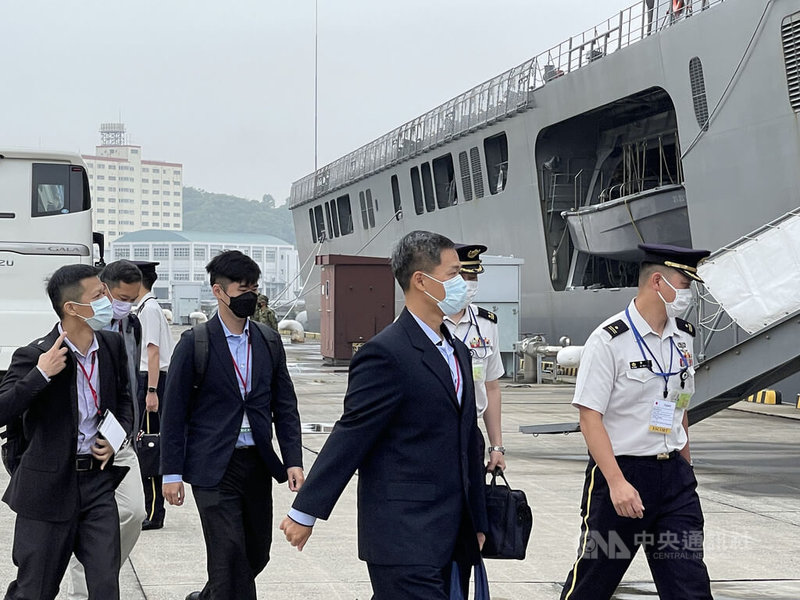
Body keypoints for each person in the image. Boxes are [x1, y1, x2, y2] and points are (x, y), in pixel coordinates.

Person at [280, 230, 488, 600]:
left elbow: (468, 438)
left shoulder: (457, 350)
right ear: (421, 281)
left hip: (453, 533)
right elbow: (351, 436)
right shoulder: (386, 354)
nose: (464, 283)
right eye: (455, 273)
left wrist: (478, 518)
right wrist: (305, 512)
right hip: (403, 534)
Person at [560, 243, 713, 600]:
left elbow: (679, 406)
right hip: (622, 474)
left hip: (673, 480)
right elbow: (589, 415)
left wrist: (685, 467)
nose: (689, 293)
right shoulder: (609, 340)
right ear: (658, 282)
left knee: (689, 584)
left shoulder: (684, 336)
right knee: (595, 579)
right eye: (684, 283)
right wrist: (616, 482)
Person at [161, 250, 305, 600]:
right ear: (219, 291)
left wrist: (293, 459)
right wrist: (170, 473)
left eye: (253, 289)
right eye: (242, 290)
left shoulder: (268, 341)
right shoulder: (195, 343)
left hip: (256, 462)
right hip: (212, 465)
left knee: (256, 552)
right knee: (227, 555)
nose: (250, 297)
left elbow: (285, 405)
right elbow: (174, 412)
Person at [0, 264, 134, 600]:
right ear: (72, 308)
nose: (108, 301)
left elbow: (125, 403)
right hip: (47, 488)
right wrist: (40, 375)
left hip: (97, 484)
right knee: (35, 589)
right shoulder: (35, 355)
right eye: (99, 296)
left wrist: (114, 439)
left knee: (105, 586)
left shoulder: (111, 345)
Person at [65, 260, 148, 599]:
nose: (124, 305)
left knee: (135, 510)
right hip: (83, 441)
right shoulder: (76, 325)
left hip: (118, 433)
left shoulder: (132, 325)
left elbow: (129, 384)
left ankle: (99, 567)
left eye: (132, 298)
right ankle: (86, 584)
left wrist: (128, 427)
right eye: (118, 297)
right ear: (104, 289)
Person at [444, 243, 506, 472]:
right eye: (461, 276)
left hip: (470, 432)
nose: (469, 284)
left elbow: (491, 388)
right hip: (430, 433)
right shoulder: (423, 323)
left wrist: (496, 446)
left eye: (473, 277)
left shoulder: (486, 324)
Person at [133, 260, 175, 530]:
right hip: (150, 379)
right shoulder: (148, 308)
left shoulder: (148, 310)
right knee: (147, 444)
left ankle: (153, 512)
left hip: (151, 380)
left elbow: (152, 352)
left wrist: (151, 391)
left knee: (149, 446)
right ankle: (151, 508)